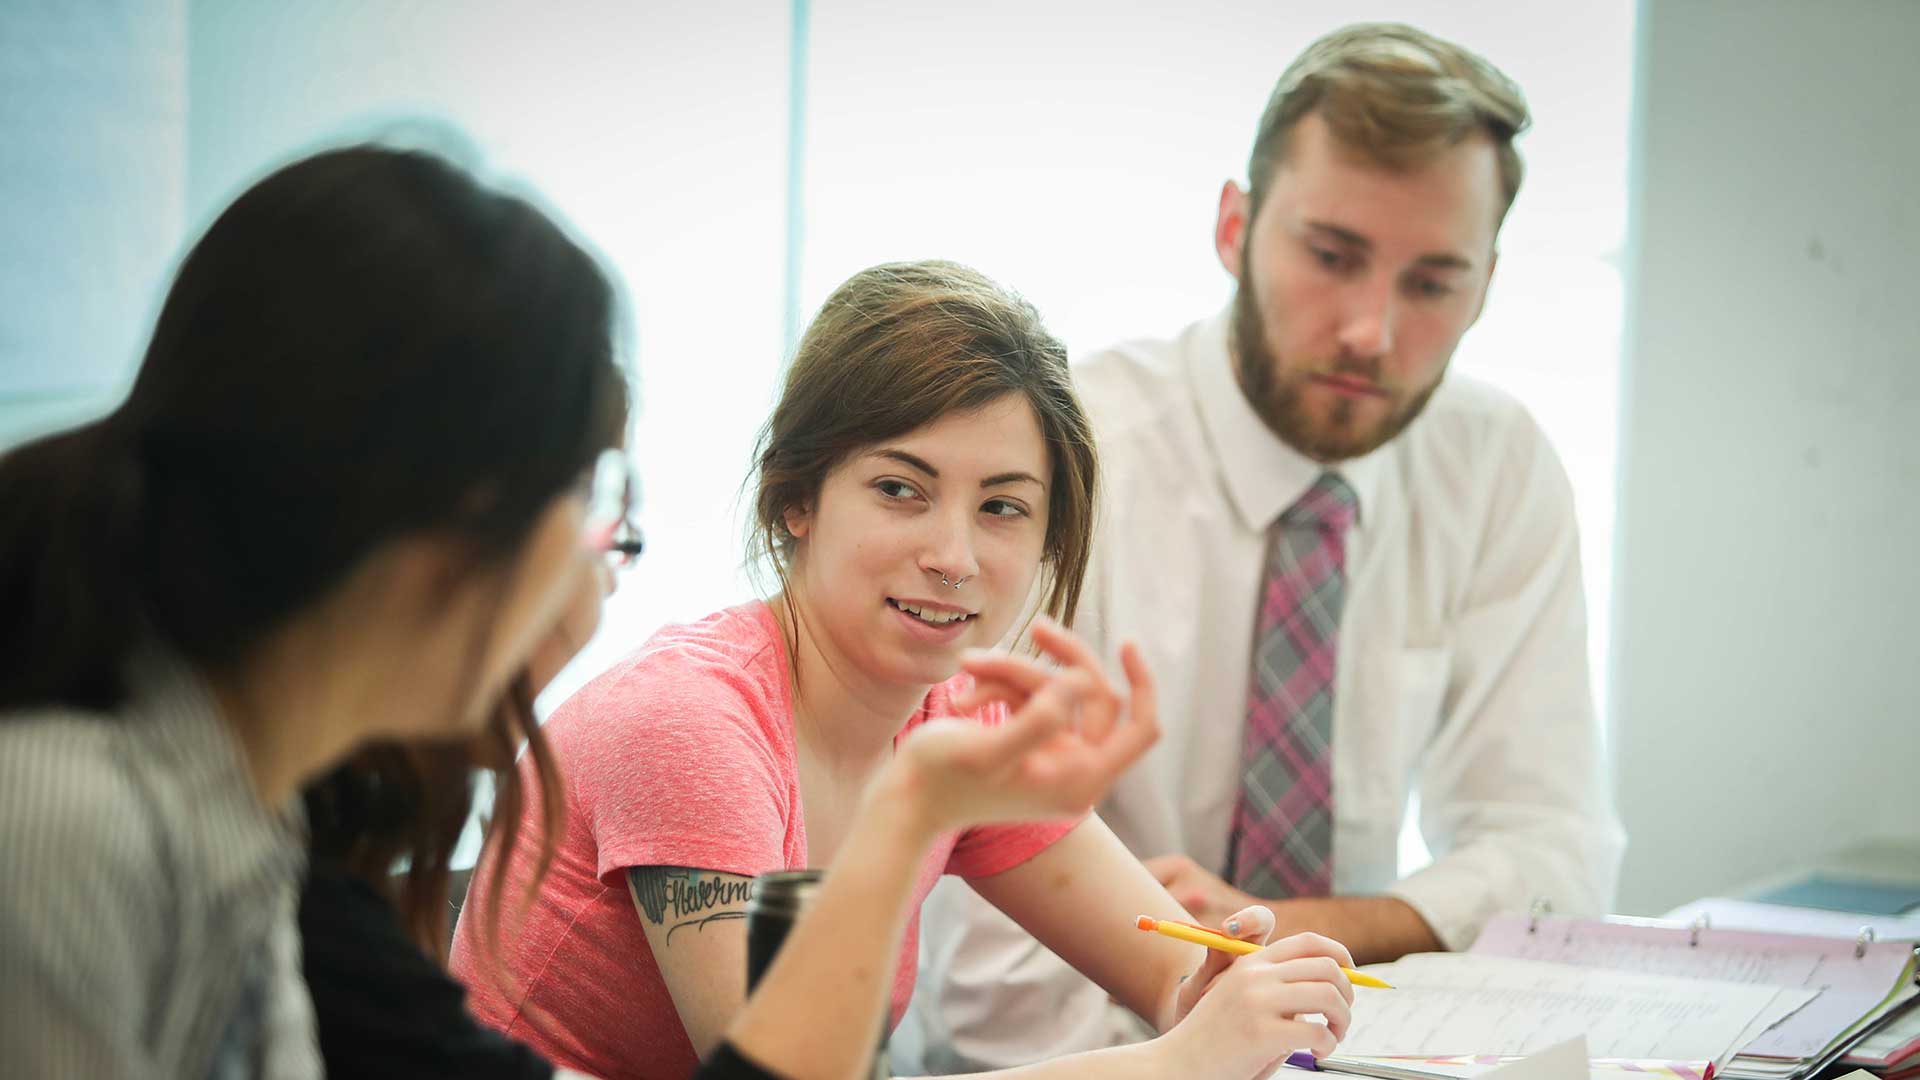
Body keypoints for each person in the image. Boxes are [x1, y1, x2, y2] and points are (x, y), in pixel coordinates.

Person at [0, 143, 1153, 1080]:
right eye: (591, 494)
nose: (601, 564)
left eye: (1005, 509)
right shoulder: (70, 826)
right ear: (436, 516)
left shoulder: (261, 816)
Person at [900, 22, 1628, 1071]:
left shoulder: (1496, 465)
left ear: (1488, 284)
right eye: (1331, 256)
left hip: (1338, 1042)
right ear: (1235, 227)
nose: (1371, 331)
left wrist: (1297, 925)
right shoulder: (1060, 459)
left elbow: (1552, 854)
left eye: (1432, 283)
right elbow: (993, 986)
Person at [451, 259, 1360, 1080]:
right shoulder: (692, 722)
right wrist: (1178, 1064)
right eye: (900, 490)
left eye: (1003, 507)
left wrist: (1225, 994)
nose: (954, 555)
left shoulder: (955, 718)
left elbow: (1176, 976)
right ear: (795, 497)